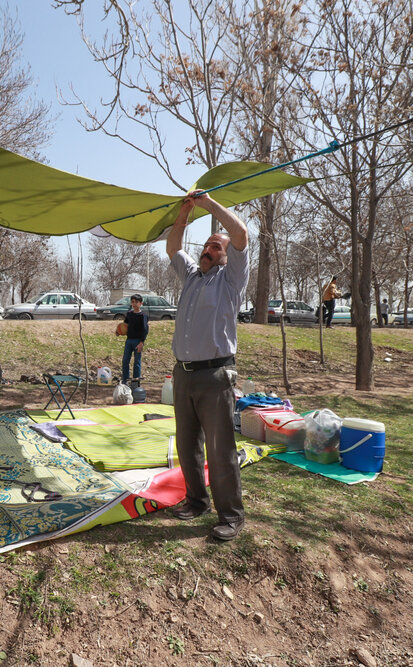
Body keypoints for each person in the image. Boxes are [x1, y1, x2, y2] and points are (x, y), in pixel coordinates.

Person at [165, 189, 249, 542]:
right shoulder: (192, 276)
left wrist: (209, 204)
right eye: (207, 244)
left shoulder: (231, 281)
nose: (208, 249)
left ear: (226, 257)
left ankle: (231, 515)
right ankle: (196, 500)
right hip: (183, 374)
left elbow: (242, 236)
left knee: (220, 448)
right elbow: (173, 247)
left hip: (215, 375)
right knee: (187, 444)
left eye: (216, 246)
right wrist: (185, 212)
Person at [118, 294, 149, 385]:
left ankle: (136, 380)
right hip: (129, 341)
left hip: (137, 341)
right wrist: (119, 331)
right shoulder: (129, 314)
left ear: (141, 303)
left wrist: (141, 342)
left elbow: (145, 330)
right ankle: (125, 380)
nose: (134, 304)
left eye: (136, 302)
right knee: (125, 360)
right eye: (132, 302)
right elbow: (125, 325)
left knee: (137, 362)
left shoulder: (143, 315)